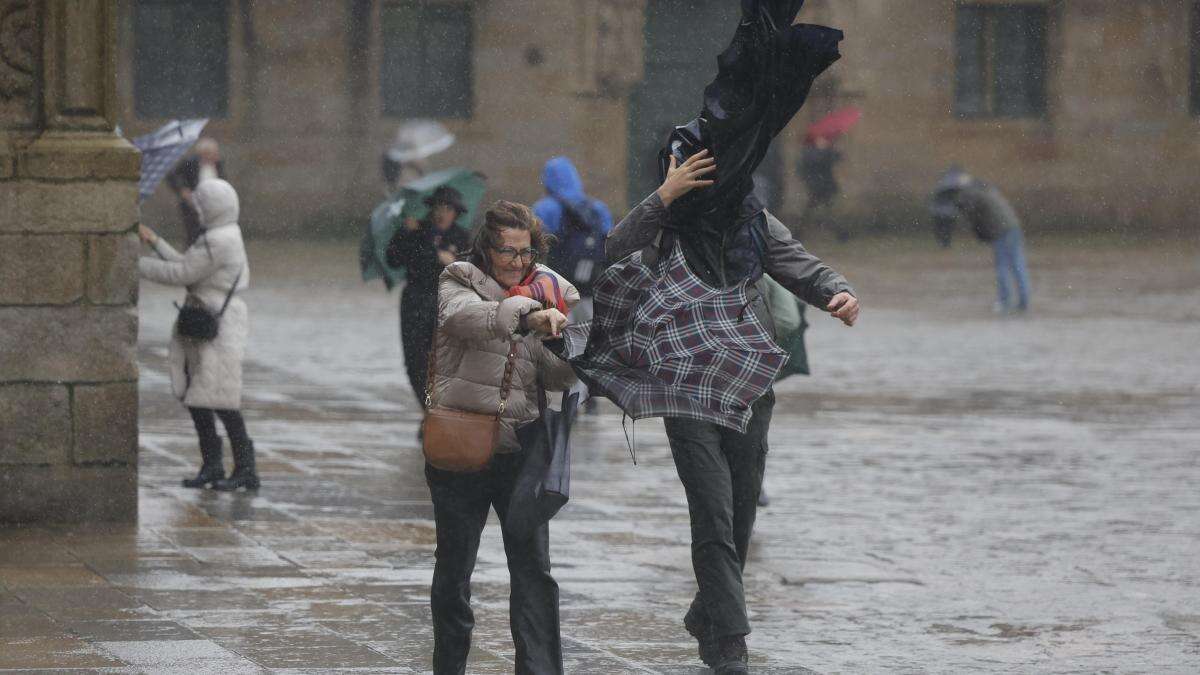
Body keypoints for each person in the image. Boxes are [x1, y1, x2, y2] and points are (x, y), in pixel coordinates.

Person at [606, 149, 859, 674]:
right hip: (683, 384)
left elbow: (798, 263)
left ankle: (710, 610)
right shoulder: (663, 223)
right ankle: (729, 643)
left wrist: (836, 290)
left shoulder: (753, 221)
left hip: (748, 382)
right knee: (713, 508)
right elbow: (611, 252)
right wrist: (663, 197)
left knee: (742, 506)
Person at [425, 200, 578, 674]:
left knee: (533, 570)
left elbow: (556, 378)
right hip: (460, 444)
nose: (516, 262)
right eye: (506, 252)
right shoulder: (458, 280)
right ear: (486, 248)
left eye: (525, 252)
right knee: (454, 570)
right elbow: (467, 320)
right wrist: (527, 315)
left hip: (522, 449)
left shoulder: (547, 290)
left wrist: (561, 346)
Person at [138, 179, 259, 491]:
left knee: (221, 398)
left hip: (216, 323)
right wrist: (154, 241)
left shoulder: (218, 240)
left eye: (201, 205)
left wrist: (136, 265)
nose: (198, 211)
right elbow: (188, 264)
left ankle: (244, 468)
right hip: (207, 318)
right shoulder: (221, 235)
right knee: (201, 396)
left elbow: (182, 274)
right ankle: (214, 465)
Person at [386, 186, 473, 410]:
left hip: (448, 303)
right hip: (415, 301)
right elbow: (393, 259)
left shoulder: (462, 238)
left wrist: (452, 262)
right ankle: (428, 410)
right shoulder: (415, 231)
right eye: (439, 207)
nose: (442, 213)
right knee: (415, 361)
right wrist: (409, 235)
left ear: (456, 213)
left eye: (448, 208)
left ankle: (440, 410)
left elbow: (473, 273)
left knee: (446, 360)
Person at [930, 167, 1031, 314]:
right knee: (1017, 265)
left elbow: (972, 215)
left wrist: (954, 209)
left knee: (1003, 267)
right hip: (1012, 227)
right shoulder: (980, 186)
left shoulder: (969, 192)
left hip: (1001, 231)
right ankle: (1023, 302)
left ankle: (1005, 302)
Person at [532, 156, 613, 323]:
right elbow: (610, 241)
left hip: (557, 290)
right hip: (590, 287)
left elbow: (534, 244)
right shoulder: (598, 208)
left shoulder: (544, 208)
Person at [167, 138, 225, 247]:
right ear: (202, 153)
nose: (214, 156)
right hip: (192, 204)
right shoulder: (190, 163)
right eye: (211, 154)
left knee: (212, 235)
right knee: (193, 234)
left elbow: (223, 181)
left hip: (213, 205)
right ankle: (192, 258)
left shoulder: (218, 164)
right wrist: (182, 189)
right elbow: (172, 176)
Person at [798, 134, 847, 241]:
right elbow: (813, 163)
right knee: (817, 212)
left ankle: (841, 233)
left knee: (825, 211)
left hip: (825, 187)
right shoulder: (810, 152)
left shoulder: (825, 151)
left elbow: (837, 158)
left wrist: (835, 148)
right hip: (816, 187)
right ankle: (841, 233)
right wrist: (825, 150)